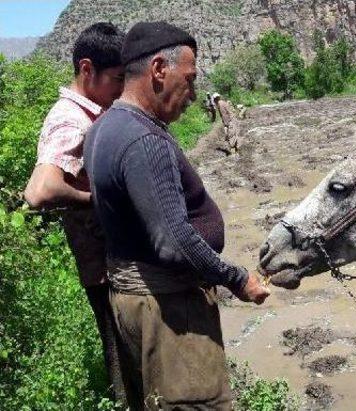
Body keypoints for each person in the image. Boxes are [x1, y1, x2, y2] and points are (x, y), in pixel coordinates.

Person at [84, 21, 270, 410]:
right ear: (158, 70)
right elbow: (174, 241)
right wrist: (237, 279)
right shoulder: (145, 140)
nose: (193, 93)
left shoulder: (103, 128)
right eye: (190, 78)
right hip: (168, 309)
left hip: (136, 300)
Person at [23, 22, 129, 405]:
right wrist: (97, 199)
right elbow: (40, 190)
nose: (121, 89)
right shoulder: (69, 119)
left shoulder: (93, 112)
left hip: (113, 262)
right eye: (117, 79)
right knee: (123, 361)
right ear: (88, 70)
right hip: (102, 269)